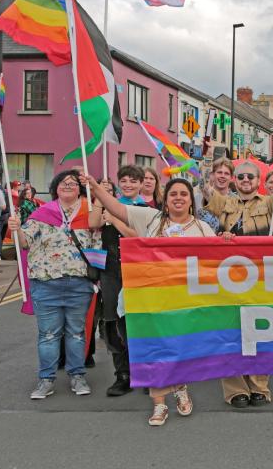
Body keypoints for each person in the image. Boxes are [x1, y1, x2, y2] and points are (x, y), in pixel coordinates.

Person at [84, 172, 214, 426]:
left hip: (183, 303)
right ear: (165, 201)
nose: (178, 198)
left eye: (183, 194)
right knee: (154, 350)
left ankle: (180, 387)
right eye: (173, 194)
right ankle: (159, 405)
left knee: (178, 350)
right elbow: (117, 208)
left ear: (191, 201)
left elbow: (216, 260)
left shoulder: (203, 228)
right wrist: (96, 189)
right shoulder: (151, 219)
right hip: (149, 301)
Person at [202, 157, 273, 408]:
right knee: (231, 332)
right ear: (234, 180)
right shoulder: (224, 203)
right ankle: (235, 389)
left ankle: (260, 386)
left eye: (251, 176)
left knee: (260, 331)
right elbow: (205, 189)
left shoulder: (268, 202)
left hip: (261, 277)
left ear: (258, 181)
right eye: (240, 177)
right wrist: (206, 166)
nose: (246, 180)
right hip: (230, 277)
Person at [7, 170, 98, 401]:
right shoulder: (42, 213)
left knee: (76, 333)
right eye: (63, 183)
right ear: (55, 187)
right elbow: (25, 242)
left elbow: (97, 245)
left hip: (79, 284)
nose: (68, 186)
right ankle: (46, 379)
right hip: (46, 283)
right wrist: (16, 229)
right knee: (48, 335)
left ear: (80, 188)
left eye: (73, 183)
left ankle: (77, 375)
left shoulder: (91, 212)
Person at [89, 165, 149, 397]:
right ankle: (123, 374)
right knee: (113, 323)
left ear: (142, 183)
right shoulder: (107, 205)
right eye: (124, 180)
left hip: (138, 271)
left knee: (139, 323)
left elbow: (139, 237)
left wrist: (114, 220)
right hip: (112, 271)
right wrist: (99, 198)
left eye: (133, 181)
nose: (128, 184)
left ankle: (144, 373)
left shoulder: (146, 209)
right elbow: (93, 223)